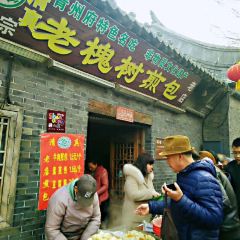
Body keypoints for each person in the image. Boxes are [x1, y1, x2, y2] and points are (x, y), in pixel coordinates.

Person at [136, 135, 223, 240]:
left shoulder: (203, 178)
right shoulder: (186, 175)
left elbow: (215, 219)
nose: (167, 162)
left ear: (180, 156)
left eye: (168, 157)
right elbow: (178, 204)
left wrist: (181, 199)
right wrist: (151, 207)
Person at [199, 150, 240, 240]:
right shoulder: (227, 168)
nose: (237, 156)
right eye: (235, 152)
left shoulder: (213, 173)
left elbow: (224, 202)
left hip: (227, 227)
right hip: (231, 221)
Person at [45, 174, 101, 240]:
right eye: (83, 200)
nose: (84, 205)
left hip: (85, 234)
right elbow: (51, 229)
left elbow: (95, 219)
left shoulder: (92, 195)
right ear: (76, 189)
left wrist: (85, 238)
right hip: (64, 236)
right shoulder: (59, 198)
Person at [122, 152, 160, 227]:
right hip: (133, 218)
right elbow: (133, 195)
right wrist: (151, 194)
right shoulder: (132, 177)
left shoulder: (148, 176)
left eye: (152, 164)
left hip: (144, 216)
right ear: (143, 164)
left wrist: (156, 196)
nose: (152, 167)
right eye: (150, 164)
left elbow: (151, 191)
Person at [88, 160, 109, 228]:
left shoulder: (103, 171)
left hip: (103, 198)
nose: (90, 169)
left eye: (91, 167)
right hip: (95, 197)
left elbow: (105, 185)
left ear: (96, 164)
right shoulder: (93, 172)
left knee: (103, 214)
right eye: (89, 167)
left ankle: (104, 229)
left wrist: (95, 193)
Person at [225, 137, 240, 218]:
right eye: (235, 153)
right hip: (235, 209)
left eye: (239, 152)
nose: (237, 156)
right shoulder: (229, 167)